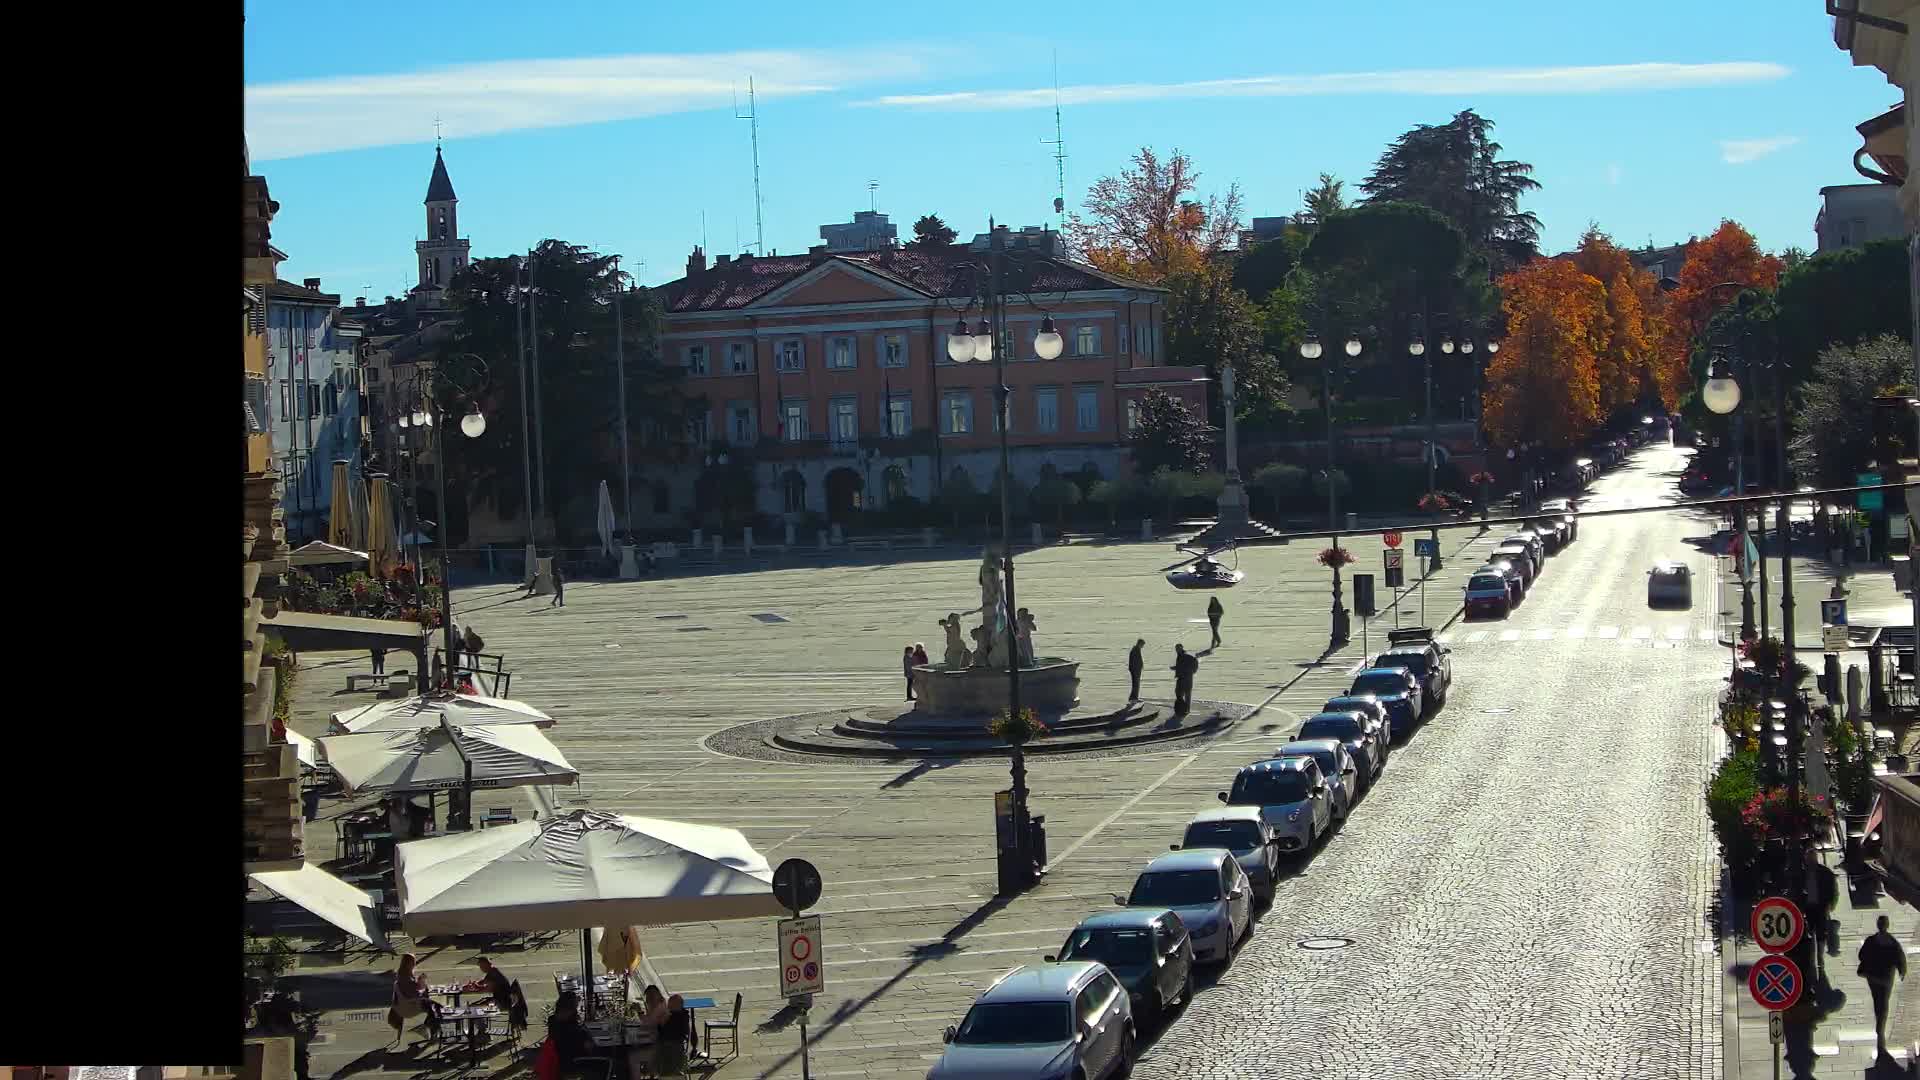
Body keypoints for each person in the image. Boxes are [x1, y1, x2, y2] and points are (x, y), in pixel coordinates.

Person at [1858, 914, 1908, 1053]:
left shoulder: (1871, 940)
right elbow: (1900, 958)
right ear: (1887, 925)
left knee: (1877, 999)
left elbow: (1861, 955)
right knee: (1884, 1002)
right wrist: (1902, 971)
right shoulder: (1892, 942)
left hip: (1873, 977)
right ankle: (1880, 1025)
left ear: (1878, 925)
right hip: (1886, 979)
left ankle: (1879, 1024)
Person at [1801, 848, 1840, 982]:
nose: (1810, 860)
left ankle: (1820, 957)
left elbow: (1833, 889)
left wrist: (1831, 904)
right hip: (1807, 908)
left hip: (1821, 907)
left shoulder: (1825, 872)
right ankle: (1812, 957)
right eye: (1808, 857)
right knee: (1809, 933)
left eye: (1812, 857)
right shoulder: (1802, 873)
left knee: (1821, 934)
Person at [388, 952, 442, 1044]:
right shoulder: (405, 977)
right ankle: (430, 1029)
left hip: (403, 1006)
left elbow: (414, 989)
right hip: (409, 1007)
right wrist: (424, 993)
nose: (415, 963)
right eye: (413, 962)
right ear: (408, 963)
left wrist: (420, 981)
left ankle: (428, 1028)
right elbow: (413, 994)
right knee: (435, 1006)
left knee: (432, 1005)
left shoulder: (404, 974)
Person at [653, 993, 692, 1077]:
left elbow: (660, 1030)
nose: (668, 1006)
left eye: (669, 1004)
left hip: (670, 1047)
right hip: (675, 1046)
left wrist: (662, 1019)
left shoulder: (675, 1017)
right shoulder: (683, 1015)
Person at [1171, 643, 1198, 715]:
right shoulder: (1180, 656)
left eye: (1178, 649)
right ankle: (1183, 709)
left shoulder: (1186, 656)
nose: (1177, 650)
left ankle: (1186, 709)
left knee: (1187, 695)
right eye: (1176, 649)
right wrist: (1175, 668)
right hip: (1181, 678)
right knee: (1179, 693)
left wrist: (1193, 671)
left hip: (1186, 679)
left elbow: (1194, 661)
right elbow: (1182, 666)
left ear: (1181, 648)